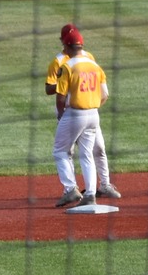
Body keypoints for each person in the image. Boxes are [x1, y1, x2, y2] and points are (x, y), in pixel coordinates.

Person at [47, 23, 120, 208]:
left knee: (60, 151)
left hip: (74, 114)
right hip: (93, 115)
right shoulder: (94, 65)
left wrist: (62, 115)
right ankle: (90, 194)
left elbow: (60, 96)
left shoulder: (67, 66)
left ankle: (71, 189)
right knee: (87, 154)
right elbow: (104, 94)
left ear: (67, 46)